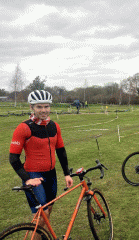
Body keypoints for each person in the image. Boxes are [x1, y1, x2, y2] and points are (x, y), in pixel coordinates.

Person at [9, 90, 73, 233]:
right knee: (40, 217)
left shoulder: (54, 126)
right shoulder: (24, 128)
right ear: (32, 107)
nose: (43, 110)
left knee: (48, 211)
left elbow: (61, 151)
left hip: (51, 175)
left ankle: (43, 237)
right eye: (39, 107)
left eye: (46, 106)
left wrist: (66, 174)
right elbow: (13, 158)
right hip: (33, 175)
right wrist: (27, 179)